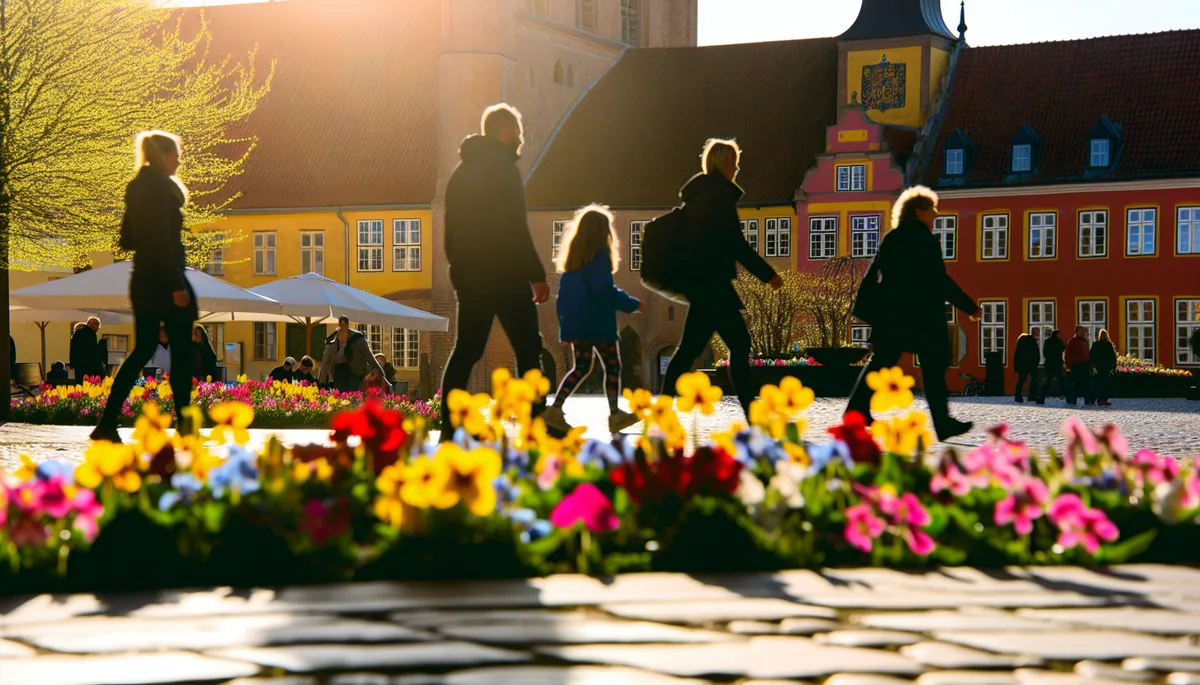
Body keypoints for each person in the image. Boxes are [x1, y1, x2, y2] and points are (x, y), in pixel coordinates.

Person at [440, 103, 551, 434]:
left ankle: (449, 425)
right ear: (505, 132)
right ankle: (534, 421)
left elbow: (450, 231)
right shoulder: (503, 168)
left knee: (466, 350)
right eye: (517, 132)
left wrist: (459, 267)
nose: (520, 139)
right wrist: (536, 275)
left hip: (470, 275)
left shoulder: (460, 173)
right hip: (506, 274)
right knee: (529, 349)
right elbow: (515, 226)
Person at [661, 139, 783, 417]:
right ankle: (751, 411)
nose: (737, 168)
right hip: (713, 285)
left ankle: (664, 409)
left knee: (689, 350)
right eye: (734, 162)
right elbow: (735, 243)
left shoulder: (700, 195)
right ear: (726, 164)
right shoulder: (719, 196)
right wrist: (768, 275)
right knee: (738, 345)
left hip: (701, 283)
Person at [846, 186, 979, 442]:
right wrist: (969, 306)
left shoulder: (892, 237)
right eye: (932, 209)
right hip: (922, 315)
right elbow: (938, 280)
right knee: (933, 366)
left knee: (882, 363)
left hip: (892, 314)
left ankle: (856, 410)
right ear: (919, 211)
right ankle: (942, 424)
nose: (936, 214)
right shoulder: (925, 240)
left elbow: (876, 275)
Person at [92, 131, 196, 443]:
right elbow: (162, 241)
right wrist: (177, 284)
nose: (178, 159)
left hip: (144, 280)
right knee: (181, 354)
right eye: (175, 153)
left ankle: (108, 423)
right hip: (167, 279)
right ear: (163, 156)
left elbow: (127, 239)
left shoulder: (137, 189)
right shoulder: (161, 191)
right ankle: (185, 427)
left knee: (142, 350)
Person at [545, 204, 643, 434]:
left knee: (580, 368)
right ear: (603, 233)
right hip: (597, 325)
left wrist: (565, 330)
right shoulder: (599, 257)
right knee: (612, 366)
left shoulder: (572, 264)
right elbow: (603, 290)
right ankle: (615, 415)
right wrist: (631, 303)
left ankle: (555, 410)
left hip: (578, 326)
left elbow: (563, 301)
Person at [319, 316, 385, 392]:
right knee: (341, 395)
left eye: (345, 325)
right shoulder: (332, 340)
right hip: (338, 372)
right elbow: (326, 361)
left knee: (353, 394)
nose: (343, 327)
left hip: (355, 372)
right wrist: (322, 382)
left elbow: (369, 356)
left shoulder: (357, 338)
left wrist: (381, 373)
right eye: (341, 324)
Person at [70, 317, 104, 383]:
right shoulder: (90, 334)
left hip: (79, 366)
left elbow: (73, 350)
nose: (98, 329)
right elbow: (92, 352)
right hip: (89, 366)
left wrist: (73, 364)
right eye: (98, 326)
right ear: (94, 325)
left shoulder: (77, 333)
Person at [1038, 329, 1066, 405]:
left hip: (1049, 364)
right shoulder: (1058, 341)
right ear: (1057, 334)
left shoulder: (1047, 341)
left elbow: (1044, 353)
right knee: (1061, 381)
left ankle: (1042, 397)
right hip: (1056, 364)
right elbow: (1063, 348)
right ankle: (1066, 396)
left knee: (1047, 381)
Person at [1091, 329, 1117, 407]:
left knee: (1099, 383)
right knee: (1105, 384)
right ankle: (1103, 399)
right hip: (1107, 367)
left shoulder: (1096, 344)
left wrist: (1092, 364)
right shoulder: (1108, 344)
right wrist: (1114, 366)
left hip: (1098, 366)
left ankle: (1099, 399)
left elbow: (1091, 354)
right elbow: (1113, 356)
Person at [1013, 332, 1041, 403]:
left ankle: (1018, 396)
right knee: (1034, 379)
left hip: (1022, 364)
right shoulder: (1032, 341)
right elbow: (1037, 352)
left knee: (1021, 380)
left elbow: (1016, 356)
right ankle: (1032, 396)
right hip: (1032, 362)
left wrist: (1016, 366)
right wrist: (1037, 362)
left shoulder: (1020, 342)